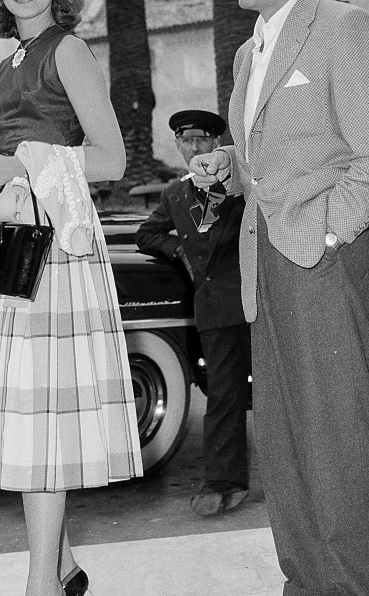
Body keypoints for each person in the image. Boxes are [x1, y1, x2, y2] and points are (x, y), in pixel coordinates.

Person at [189, 0, 369, 596]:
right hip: (264, 268)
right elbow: (272, 155)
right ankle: (309, 584)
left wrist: (321, 234)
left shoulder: (345, 29)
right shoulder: (247, 53)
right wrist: (228, 165)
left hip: (318, 261)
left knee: (341, 443)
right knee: (286, 447)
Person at [0, 0, 142, 596]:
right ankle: (61, 564)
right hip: (5, 239)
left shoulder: (68, 50)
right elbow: (14, 156)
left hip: (50, 249)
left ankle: (40, 586)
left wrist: (15, 163)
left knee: (37, 415)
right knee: (22, 410)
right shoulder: (10, 59)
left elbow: (112, 159)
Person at [135, 110, 251, 516]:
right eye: (186, 142)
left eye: (202, 141)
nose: (194, 149)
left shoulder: (242, 185)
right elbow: (146, 233)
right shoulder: (176, 194)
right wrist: (177, 249)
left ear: (218, 145)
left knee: (276, 390)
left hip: (256, 302)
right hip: (215, 308)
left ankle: (301, 478)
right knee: (223, 394)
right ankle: (224, 479)